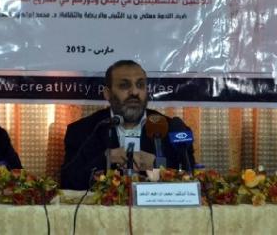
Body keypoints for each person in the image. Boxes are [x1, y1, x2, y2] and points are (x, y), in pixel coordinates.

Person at [60, 60, 195, 190]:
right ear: (107, 93)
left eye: (140, 85)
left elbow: (191, 178)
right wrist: (106, 158)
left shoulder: (173, 129)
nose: (134, 92)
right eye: (124, 85)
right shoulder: (82, 130)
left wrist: (158, 164)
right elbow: (68, 182)